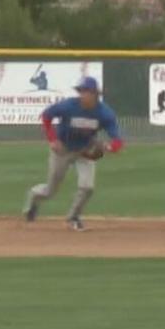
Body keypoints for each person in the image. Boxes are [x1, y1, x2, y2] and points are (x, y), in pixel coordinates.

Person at [22, 76, 123, 231]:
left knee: (87, 187)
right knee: (50, 190)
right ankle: (34, 199)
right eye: (80, 91)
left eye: (86, 91)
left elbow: (117, 140)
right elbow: (46, 116)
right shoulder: (69, 106)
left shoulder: (104, 113)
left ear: (95, 93)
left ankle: (73, 217)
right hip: (62, 150)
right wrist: (52, 140)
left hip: (85, 151)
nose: (82, 94)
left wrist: (109, 147)